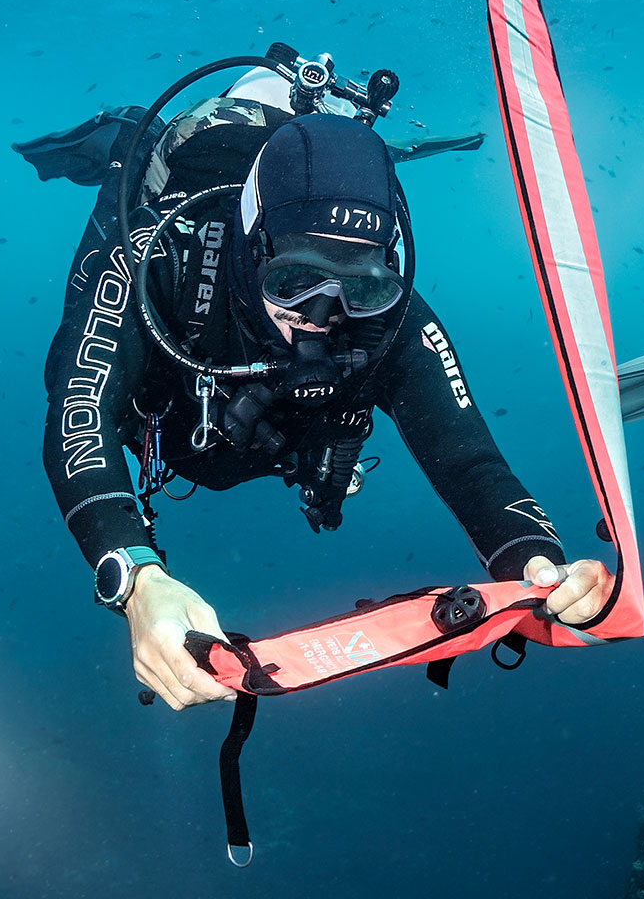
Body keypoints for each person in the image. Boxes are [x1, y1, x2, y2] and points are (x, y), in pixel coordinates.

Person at [38, 100, 609, 711]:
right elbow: (79, 409)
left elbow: (471, 465)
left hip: (260, 433)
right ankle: (130, 137)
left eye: (360, 287)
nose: (322, 321)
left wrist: (539, 563)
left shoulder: (393, 322)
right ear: (250, 250)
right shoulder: (154, 259)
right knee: (129, 175)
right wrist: (137, 578)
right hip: (172, 402)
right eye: (293, 284)